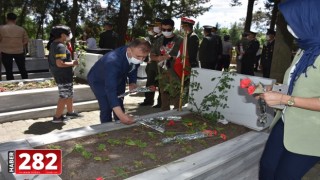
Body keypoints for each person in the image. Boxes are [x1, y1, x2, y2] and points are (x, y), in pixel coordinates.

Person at [259, 0, 320, 179]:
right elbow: (296, 83)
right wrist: (276, 90)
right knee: (267, 168)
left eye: (293, 21)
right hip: (285, 121)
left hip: (311, 131)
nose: (288, 26)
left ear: (309, 20)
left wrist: (284, 100)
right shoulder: (306, 49)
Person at [87, 38, 151, 124]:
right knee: (106, 107)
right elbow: (110, 90)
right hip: (99, 81)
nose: (141, 60)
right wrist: (122, 116)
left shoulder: (135, 53)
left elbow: (133, 67)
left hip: (120, 78)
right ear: (129, 50)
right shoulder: (112, 61)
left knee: (119, 103)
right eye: (139, 57)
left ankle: (119, 123)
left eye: (144, 57)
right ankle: (106, 128)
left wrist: (132, 82)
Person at [47, 25, 83, 123]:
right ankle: (57, 117)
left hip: (63, 75)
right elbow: (60, 63)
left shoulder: (55, 44)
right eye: (68, 33)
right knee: (64, 96)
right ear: (63, 35)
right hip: (63, 75)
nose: (69, 35)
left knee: (69, 94)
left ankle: (71, 112)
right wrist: (73, 63)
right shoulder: (60, 46)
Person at [150, 18, 183, 111]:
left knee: (176, 92)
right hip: (162, 71)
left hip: (175, 71)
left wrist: (171, 57)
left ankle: (177, 111)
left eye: (168, 30)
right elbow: (152, 55)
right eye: (163, 29)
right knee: (163, 92)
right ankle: (164, 112)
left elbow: (184, 57)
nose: (166, 31)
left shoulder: (180, 40)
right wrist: (158, 58)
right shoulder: (158, 40)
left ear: (173, 28)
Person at [140, 21, 162, 108]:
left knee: (160, 84)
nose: (154, 28)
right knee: (149, 83)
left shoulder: (163, 37)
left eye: (157, 25)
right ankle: (148, 100)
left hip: (159, 64)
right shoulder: (154, 37)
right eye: (155, 25)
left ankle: (161, 102)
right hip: (151, 64)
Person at [0, 12, 28, 80]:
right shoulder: (21, 29)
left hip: (5, 52)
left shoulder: (1, 28)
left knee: (8, 71)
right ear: (16, 20)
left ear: (7, 19)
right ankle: (26, 82)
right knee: (22, 69)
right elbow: (26, 41)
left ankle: (11, 85)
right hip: (19, 52)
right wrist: (21, 47)